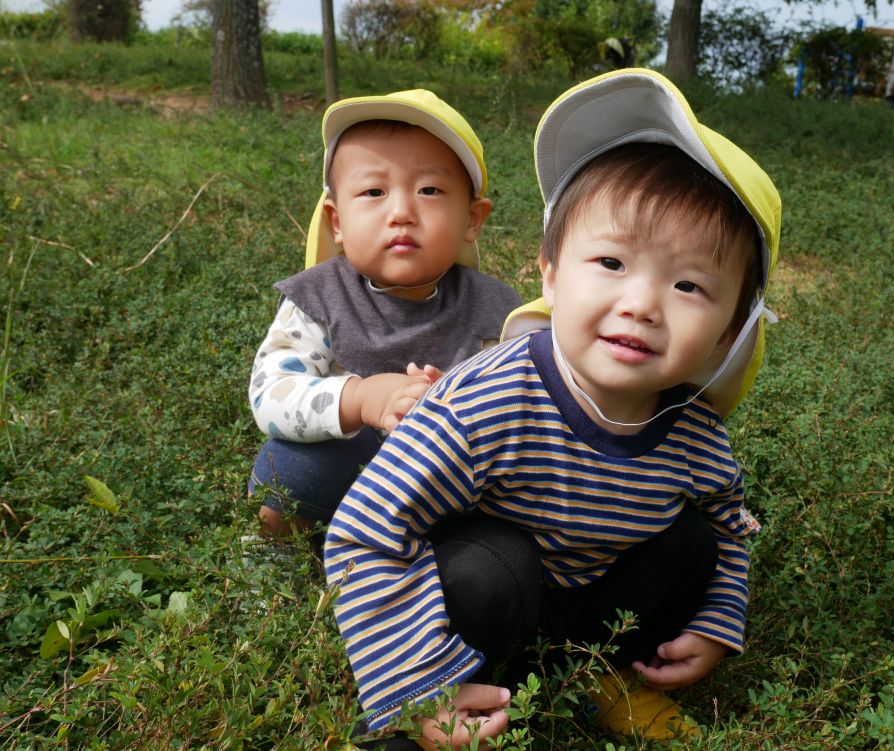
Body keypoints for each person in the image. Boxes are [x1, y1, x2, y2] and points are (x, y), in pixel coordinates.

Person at [326, 68, 781, 749]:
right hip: (482, 598)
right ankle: (413, 715)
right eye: (610, 261)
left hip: (588, 602)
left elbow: (729, 519)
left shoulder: (692, 431)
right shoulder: (484, 402)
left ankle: (585, 671)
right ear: (549, 271)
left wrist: (718, 615)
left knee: (693, 542)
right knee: (491, 568)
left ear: (731, 330)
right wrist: (420, 682)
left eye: (688, 283)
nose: (641, 303)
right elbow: (363, 532)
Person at [247, 89, 521, 545]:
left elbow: (524, 400)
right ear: (336, 221)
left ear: (472, 219)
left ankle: (431, 560)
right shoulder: (317, 298)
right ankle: (278, 553)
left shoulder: (497, 310)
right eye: (373, 192)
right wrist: (362, 399)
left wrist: (458, 406)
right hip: (349, 466)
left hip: (444, 482)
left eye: (430, 190)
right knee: (286, 469)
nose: (401, 213)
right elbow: (271, 394)